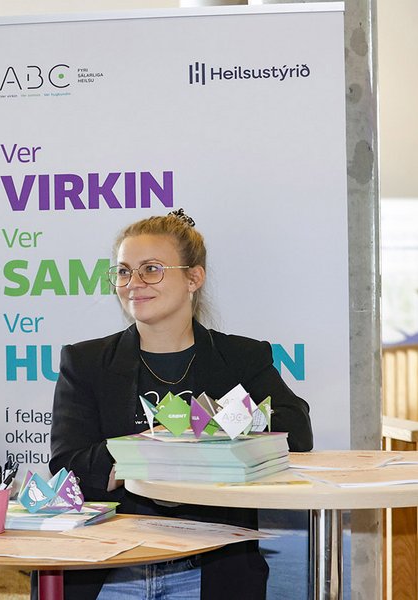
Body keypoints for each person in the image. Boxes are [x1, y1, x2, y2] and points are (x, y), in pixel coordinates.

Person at [50, 209, 313, 600]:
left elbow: (296, 429)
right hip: (112, 572)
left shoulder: (240, 358)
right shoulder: (86, 362)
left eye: (151, 269)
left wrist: (204, 430)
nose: (133, 283)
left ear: (194, 278)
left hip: (211, 569)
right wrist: (153, 447)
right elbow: (68, 466)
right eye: (123, 271)